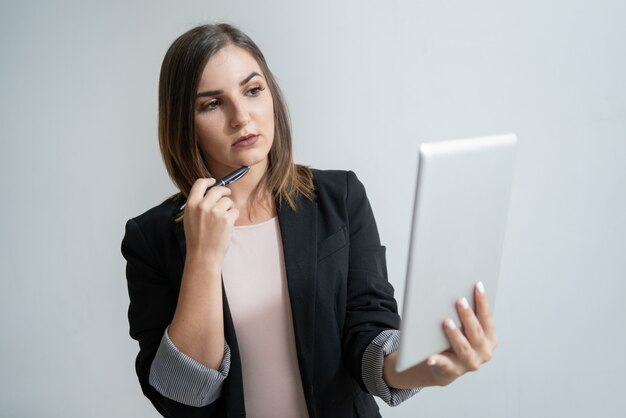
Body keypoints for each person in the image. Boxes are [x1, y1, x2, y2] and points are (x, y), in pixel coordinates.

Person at [121, 23, 498, 418]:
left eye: (253, 90)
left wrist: (428, 368)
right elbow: (181, 398)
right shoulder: (150, 238)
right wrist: (202, 256)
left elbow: (368, 335)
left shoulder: (340, 198)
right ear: (185, 124)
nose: (241, 117)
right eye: (211, 104)